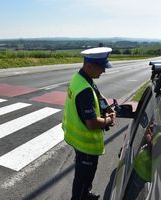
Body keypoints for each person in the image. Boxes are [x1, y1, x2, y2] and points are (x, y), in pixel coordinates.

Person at [62, 47, 116, 200]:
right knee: (83, 177)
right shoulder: (84, 89)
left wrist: (106, 107)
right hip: (86, 144)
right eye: (102, 67)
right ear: (89, 66)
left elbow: (97, 94)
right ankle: (80, 197)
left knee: (85, 176)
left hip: (77, 140)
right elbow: (92, 123)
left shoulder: (80, 78)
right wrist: (109, 120)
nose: (104, 71)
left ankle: (85, 193)